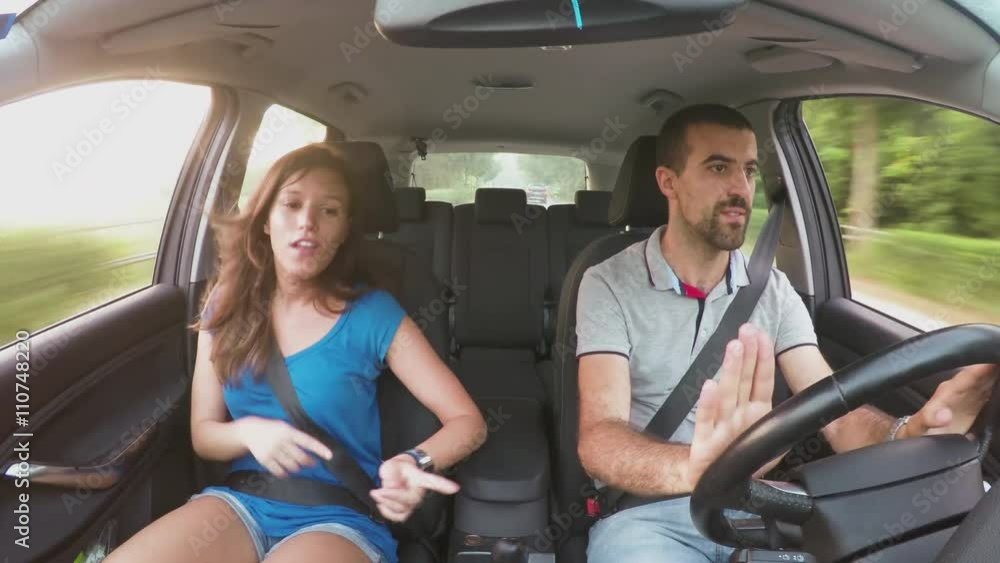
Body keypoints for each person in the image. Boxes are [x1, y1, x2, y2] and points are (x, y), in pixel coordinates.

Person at [575, 104, 998, 563]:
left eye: (750, 170)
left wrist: (908, 433)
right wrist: (697, 467)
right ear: (668, 182)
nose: (740, 189)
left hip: (758, 508)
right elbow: (600, 436)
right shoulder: (607, 282)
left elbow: (834, 412)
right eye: (719, 167)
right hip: (646, 517)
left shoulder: (772, 290)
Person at [106, 144, 487, 563]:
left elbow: (468, 421)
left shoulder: (374, 314)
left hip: (339, 518)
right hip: (238, 505)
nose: (307, 223)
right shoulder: (225, 305)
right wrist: (248, 431)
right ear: (266, 220)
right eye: (291, 204)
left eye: (329, 211)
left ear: (344, 230)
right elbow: (204, 433)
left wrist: (414, 461)